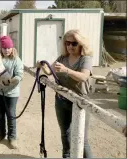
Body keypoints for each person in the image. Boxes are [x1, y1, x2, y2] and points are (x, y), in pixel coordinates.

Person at [38, 29, 93, 158]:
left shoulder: (86, 59)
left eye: (73, 43)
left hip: (80, 102)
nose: (69, 46)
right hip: (62, 101)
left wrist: (66, 70)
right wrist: (42, 66)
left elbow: (84, 77)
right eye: (67, 43)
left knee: (82, 139)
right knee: (65, 134)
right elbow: (49, 71)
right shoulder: (62, 58)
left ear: (81, 44)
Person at [0, 36, 24, 149]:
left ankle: (12, 137)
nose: (6, 50)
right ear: (1, 48)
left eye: (8, 48)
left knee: (11, 115)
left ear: (12, 48)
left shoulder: (16, 60)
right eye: (4, 48)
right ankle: (0, 134)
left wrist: (12, 81)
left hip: (12, 93)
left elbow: (19, 75)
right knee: (0, 114)